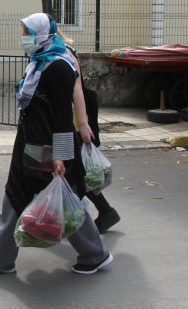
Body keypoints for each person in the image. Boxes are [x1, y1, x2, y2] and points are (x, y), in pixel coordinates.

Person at [0, 13, 112, 275]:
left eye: (27, 32)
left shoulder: (58, 67)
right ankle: (0, 260)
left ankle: (95, 254)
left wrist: (61, 156)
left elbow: (61, 115)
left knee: (65, 199)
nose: (23, 38)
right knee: (15, 195)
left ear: (42, 33)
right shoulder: (37, 63)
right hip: (29, 142)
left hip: (50, 147)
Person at [0, 33, 120, 234]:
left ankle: (99, 217)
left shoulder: (63, 56)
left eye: (29, 32)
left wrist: (83, 124)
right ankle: (21, 211)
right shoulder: (43, 55)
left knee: (70, 175)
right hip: (61, 124)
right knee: (60, 175)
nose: (24, 37)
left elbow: (77, 90)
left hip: (69, 124)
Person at [63, 35, 121, 234]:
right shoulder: (57, 49)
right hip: (70, 120)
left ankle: (103, 213)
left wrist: (83, 124)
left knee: (75, 174)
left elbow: (75, 88)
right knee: (69, 173)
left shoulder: (64, 51)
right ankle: (16, 212)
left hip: (72, 121)